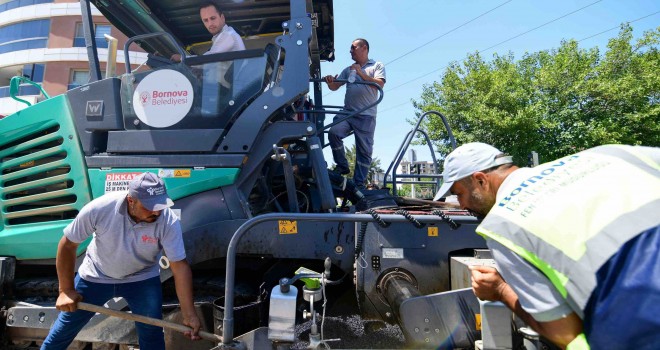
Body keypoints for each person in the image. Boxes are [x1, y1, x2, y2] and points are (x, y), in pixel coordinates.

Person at [434, 142, 660, 349]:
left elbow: (564, 333)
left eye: (458, 194)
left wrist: (501, 291)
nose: (461, 205)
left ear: (480, 180)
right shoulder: (611, 154)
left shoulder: (504, 223)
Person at [42, 172, 201, 350]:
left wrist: (189, 314)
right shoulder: (100, 209)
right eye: (150, 206)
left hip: (142, 278)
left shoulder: (167, 220)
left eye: (160, 205)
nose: (156, 211)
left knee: (152, 334)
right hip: (95, 276)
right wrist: (65, 290)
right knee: (63, 330)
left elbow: (179, 266)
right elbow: (68, 244)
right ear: (131, 201)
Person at [324, 38, 386, 188]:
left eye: (353, 47)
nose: (350, 51)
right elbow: (334, 87)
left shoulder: (377, 65)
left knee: (364, 150)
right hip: (348, 113)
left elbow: (379, 84)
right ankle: (342, 166)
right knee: (334, 132)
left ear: (364, 48)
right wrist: (329, 81)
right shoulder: (348, 69)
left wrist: (360, 73)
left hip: (366, 114)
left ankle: (359, 184)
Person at [171, 1, 245, 61]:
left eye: (213, 18)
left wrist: (181, 58)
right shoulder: (221, 37)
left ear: (222, 17)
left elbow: (207, 59)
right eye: (206, 20)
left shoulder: (228, 35)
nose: (210, 23)